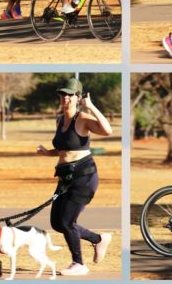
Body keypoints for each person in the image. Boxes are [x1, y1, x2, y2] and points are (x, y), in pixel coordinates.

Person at [36, 78, 113, 276]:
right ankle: (98, 239)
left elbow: (107, 130)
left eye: (70, 95)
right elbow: (64, 149)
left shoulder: (83, 118)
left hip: (84, 177)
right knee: (57, 222)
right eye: (63, 94)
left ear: (78, 97)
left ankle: (79, 264)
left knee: (67, 222)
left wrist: (92, 106)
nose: (65, 98)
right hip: (65, 178)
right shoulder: (60, 120)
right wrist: (48, 153)